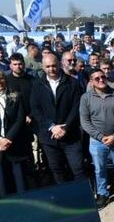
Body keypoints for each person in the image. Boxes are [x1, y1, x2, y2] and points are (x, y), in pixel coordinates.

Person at [30, 53, 86, 183]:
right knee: (57, 170)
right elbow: (36, 109)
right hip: (49, 137)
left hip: (70, 135)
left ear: (59, 64)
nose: (51, 69)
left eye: (54, 66)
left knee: (78, 169)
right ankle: (64, 200)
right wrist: (52, 127)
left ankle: (82, 199)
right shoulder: (37, 85)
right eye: (48, 66)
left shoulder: (73, 83)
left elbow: (76, 107)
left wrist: (65, 126)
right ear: (43, 67)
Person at [80, 67, 114, 209]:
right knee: (99, 169)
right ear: (91, 81)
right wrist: (101, 137)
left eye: (103, 77)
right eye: (97, 78)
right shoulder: (86, 98)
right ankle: (103, 194)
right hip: (97, 142)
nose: (101, 80)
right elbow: (85, 122)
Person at [0, 69, 32, 195]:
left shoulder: (15, 96)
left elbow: (20, 119)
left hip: (15, 144)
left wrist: (8, 139)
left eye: (1, 78)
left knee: (21, 183)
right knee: (3, 184)